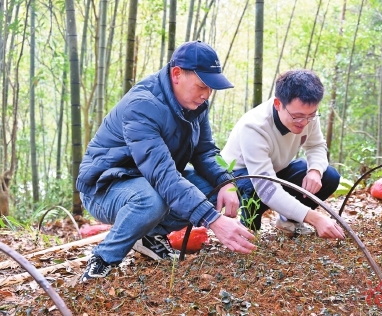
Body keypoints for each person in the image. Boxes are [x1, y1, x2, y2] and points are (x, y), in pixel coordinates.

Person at [76, 40, 256, 283]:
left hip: (150, 182)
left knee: (212, 192)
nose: (206, 95)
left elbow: (205, 151)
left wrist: (226, 182)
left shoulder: (196, 105)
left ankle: (148, 235)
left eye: (210, 88)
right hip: (105, 187)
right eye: (202, 86)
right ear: (176, 74)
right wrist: (212, 220)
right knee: (151, 200)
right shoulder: (143, 105)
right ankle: (103, 259)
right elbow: (163, 175)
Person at [221, 69, 345, 239]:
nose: (304, 122)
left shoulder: (308, 117)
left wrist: (315, 171)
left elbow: (316, 146)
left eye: (311, 115)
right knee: (255, 191)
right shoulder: (254, 126)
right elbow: (265, 187)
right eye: (297, 116)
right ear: (278, 104)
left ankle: (289, 221)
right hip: (242, 177)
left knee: (328, 176)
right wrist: (315, 219)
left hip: (276, 170)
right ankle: (248, 226)